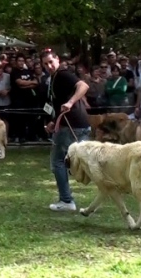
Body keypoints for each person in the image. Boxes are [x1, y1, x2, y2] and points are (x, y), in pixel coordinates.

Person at [40, 49, 91, 212]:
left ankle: (66, 201)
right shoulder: (54, 78)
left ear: (58, 59)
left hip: (71, 125)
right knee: (89, 163)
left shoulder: (62, 74)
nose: (49, 66)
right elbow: (56, 104)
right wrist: (53, 121)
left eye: (51, 62)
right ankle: (112, 190)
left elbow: (83, 86)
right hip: (74, 123)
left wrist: (70, 102)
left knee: (57, 162)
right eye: (45, 63)